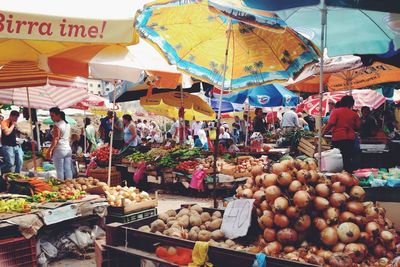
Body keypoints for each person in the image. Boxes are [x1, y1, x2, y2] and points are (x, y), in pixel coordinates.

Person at [322, 96, 360, 172]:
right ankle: (348, 175)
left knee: (336, 158)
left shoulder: (336, 111)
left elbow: (330, 124)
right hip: (350, 139)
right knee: (347, 158)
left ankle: (337, 174)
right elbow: (358, 127)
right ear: (351, 104)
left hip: (338, 138)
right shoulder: (354, 114)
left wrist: (322, 134)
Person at [46, 108, 72, 180]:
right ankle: (70, 184)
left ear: (58, 115)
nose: (51, 118)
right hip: (68, 149)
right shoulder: (67, 124)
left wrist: (50, 150)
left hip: (60, 149)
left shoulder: (57, 125)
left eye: (53, 116)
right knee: (68, 169)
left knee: (59, 170)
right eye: (50, 116)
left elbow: (56, 139)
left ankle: (61, 185)